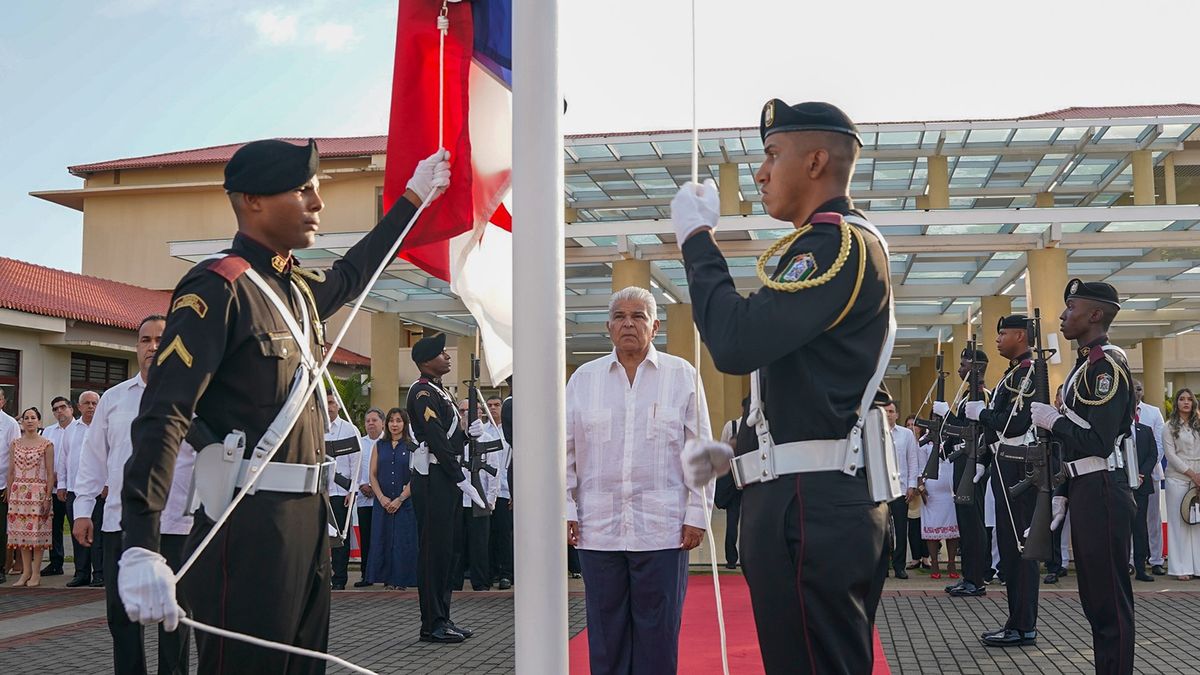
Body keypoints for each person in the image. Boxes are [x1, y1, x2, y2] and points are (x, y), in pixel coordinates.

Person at [119, 140, 452, 672]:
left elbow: (354, 271)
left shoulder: (294, 290)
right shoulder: (219, 287)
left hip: (306, 520)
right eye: (302, 190)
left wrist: (414, 198)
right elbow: (163, 413)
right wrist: (140, 541)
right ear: (251, 199)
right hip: (247, 524)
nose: (317, 203)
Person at [672, 99, 893, 675]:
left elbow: (736, 341)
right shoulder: (828, 244)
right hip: (804, 495)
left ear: (816, 160)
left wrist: (697, 241)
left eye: (773, 155)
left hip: (809, 505)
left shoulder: (834, 245)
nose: (761, 172)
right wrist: (739, 451)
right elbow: (804, 386)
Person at [566, 286, 711, 675]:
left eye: (639, 316)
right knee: (606, 634)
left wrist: (697, 513)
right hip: (598, 530)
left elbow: (699, 450)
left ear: (655, 326)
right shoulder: (584, 379)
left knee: (658, 634)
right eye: (620, 316)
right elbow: (564, 451)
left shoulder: (683, 376)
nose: (628, 323)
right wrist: (566, 506)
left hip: (663, 530)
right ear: (608, 327)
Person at [73, 315, 194, 675]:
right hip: (120, 523)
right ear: (136, 346)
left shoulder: (195, 396)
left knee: (175, 617)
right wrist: (82, 509)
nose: (153, 346)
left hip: (178, 524)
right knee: (122, 614)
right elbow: (93, 458)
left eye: (161, 339)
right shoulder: (113, 399)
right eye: (145, 340)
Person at [1031, 278, 1136, 674]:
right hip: (1087, 486)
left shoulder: (1105, 365)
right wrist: (1063, 489)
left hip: (1105, 486)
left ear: (1095, 315)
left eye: (1071, 308)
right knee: (1095, 600)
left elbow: (1098, 440)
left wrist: (1054, 421)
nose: (1062, 315)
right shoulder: (1086, 365)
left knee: (1109, 599)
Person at [965, 314, 1039, 646]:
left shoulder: (1026, 374)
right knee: (1010, 548)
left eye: (1002, 333)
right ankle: (1017, 620)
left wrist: (980, 413)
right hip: (1005, 463)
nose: (997, 339)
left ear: (1021, 336)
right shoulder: (1015, 373)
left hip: (1017, 465)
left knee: (1018, 549)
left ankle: (1023, 625)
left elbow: (1015, 423)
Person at [935, 348, 991, 598]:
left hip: (973, 464)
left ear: (976, 369)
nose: (959, 370)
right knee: (965, 524)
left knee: (973, 524)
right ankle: (969, 575)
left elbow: (972, 432)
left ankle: (976, 579)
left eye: (964, 365)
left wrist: (946, 414)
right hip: (962, 463)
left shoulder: (982, 398)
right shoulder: (967, 396)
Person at [367, 408, 418, 590]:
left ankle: (402, 580)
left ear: (405, 424)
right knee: (384, 538)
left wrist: (400, 498)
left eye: (398, 421)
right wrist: (381, 497)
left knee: (403, 540)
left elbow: (416, 475)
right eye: (391, 421)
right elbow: (372, 474)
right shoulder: (379, 446)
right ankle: (387, 579)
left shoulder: (412, 446)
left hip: (405, 502)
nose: (394, 424)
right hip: (383, 501)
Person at [7, 406, 53, 587]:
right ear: (22, 421)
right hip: (19, 492)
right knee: (22, 535)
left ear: (39, 421)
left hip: (38, 492)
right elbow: (10, 472)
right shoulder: (15, 444)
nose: (30, 420)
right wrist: (11, 494)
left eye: (33, 417)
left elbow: (50, 473)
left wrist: (48, 496)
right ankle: (25, 572)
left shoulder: (46, 444)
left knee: (37, 535)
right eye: (26, 417)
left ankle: (36, 572)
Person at [453, 398, 493, 591]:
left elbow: (494, 472)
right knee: (456, 545)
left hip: (481, 499)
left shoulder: (488, 438)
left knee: (479, 544)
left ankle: (481, 582)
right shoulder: (452, 438)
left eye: (471, 410)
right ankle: (454, 582)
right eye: (462, 411)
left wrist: (490, 500)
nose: (466, 415)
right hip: (458, 499)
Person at [325, 393, 362, 591]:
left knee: (339, 538)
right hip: (320, 492)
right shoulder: (315, 426)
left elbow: (356, 462)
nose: (328, 406)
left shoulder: (349, 429)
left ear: (338, 405)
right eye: (325, 402)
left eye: (331, 402)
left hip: (341, 493)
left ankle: (339, 578)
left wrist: (352, 490)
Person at [1163, 388, 1200, 581]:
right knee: (1179, 523)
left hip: (1198, 480)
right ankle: (1180, 568)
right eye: (1182, 399)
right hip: (1177, 479)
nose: (1186, 402)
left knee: (1196, 523)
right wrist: (1192, 474)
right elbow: (1170, 456)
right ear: (1176, 403)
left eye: (1189, 399)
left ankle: (1197, 566)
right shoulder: (1169, 426)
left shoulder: (1198, 425)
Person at [66, 391, 100, 587]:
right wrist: (62, 485)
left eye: (94, 403)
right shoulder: (72, 429)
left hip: (99, 491)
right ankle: (81, 573)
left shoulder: (104, 427)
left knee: (98, 534)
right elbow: (64, 459)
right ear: (78, 407)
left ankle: (100, 574)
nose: (90, 406)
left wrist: (107, 485)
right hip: (74, 490)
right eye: (86, 403)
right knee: (77, 531)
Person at [1133, 380, 1168, 576]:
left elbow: (1159, 444)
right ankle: (1130, 559)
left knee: (1152, 519)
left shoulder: (1153, 412)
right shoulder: (1120, 410)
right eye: (1133, 388)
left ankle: (1156, 559)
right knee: (1130, 520)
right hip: (1127, 476)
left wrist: (1144, 471)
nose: (1136, 391)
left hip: (1151, 473)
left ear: (1143, 391)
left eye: (1139, 388)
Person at [39, 395, 74, 577]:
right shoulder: (48, 432)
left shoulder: (79, 429)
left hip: (74, 487)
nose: (59, 411)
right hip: (53, 488)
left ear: (71, 409)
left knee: (77, 525)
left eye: (62, 407)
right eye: (55, 409)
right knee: (54, 527)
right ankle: (56, 563)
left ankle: (83, 567)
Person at [885, 401, 920, 579]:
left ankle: (899, 566)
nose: (889, 414)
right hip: (881, 488)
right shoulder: (875, 434)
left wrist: (911, 485)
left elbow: (913, 460)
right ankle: (882, 566)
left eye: (891, 411)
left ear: (897, 414)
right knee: (881, 530)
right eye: (885, 411)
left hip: (900, 488)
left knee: (900, 528)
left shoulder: (906, 435)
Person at [919, 431, 959, 580]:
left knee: (953, 528)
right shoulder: (925, 440)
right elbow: (920, 465)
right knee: (932, 527)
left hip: (950, 488)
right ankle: (934, 563)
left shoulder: (953, 435)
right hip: (932, 490)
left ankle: (951, 563)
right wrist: (921, 485)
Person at [485, 395, 514, 590]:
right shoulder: (482, 431)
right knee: (488, 534)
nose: (494, 408)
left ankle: (506, 573)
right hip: (485, 492)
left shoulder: (510, 431)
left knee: (504, 534)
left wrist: (513, 491)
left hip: (504, 491)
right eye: (490, 406)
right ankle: (492, 571)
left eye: (497, 405)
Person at [355, 408, 385, 588]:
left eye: (374, 420)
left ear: (382, 422)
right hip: (364, 497)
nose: (371, 423)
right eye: (368, 421)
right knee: (366, 538)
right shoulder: (359, 443)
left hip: (383, 498)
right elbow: (354, 467)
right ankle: (366, 575)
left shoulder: (388, 442)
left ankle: (386, 574)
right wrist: (361, 485)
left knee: (383, 537)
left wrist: (377, 488)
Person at [1130, 419, 1159, 582]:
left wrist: (1141, 474)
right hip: (1120, 486)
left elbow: (1152, 454)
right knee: (1121, 529)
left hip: (1141, 486)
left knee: (1140, 528)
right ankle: (1122, 566)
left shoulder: (1146, 430)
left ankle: (1140, 569)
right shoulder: (1115, 429)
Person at [715, 410, 744, 569]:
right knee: (748, 521)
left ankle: (732, 559)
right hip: (750, 479)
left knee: (732, 520)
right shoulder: (757, 427)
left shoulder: (730, 426)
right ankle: (747, 558)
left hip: (732, 480)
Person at [905, 416, 930, 570]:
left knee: (925, 523)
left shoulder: (925, 442)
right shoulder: (904, 442)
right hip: (910, 485)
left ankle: (926, 557)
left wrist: (921, 484)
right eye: (908, 425)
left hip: (924, 485)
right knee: (913, 524)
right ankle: (915, 558)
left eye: (914, 425)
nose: (911, 427)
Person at [0, 387, 20, 583]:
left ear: (2, 402)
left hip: (1, 484)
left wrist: (9, 484)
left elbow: (13, 456)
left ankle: (0, 568)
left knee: (0, 529)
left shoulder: (9, 423)